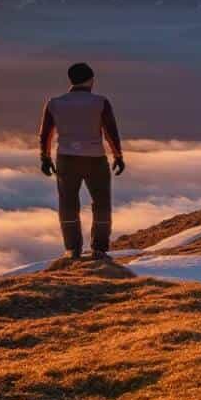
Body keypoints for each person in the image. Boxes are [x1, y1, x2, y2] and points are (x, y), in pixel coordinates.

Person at [37, 62, 125, 259]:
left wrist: (45, 157)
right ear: (91, 79)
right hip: (95, 158)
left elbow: (45, 134)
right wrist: (118, 156)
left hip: (66, 159)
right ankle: (99, 249)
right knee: (101, 203)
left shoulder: (55, 102)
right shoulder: (100, 102)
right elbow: (111, 131)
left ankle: (72, 249)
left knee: (68, 204)